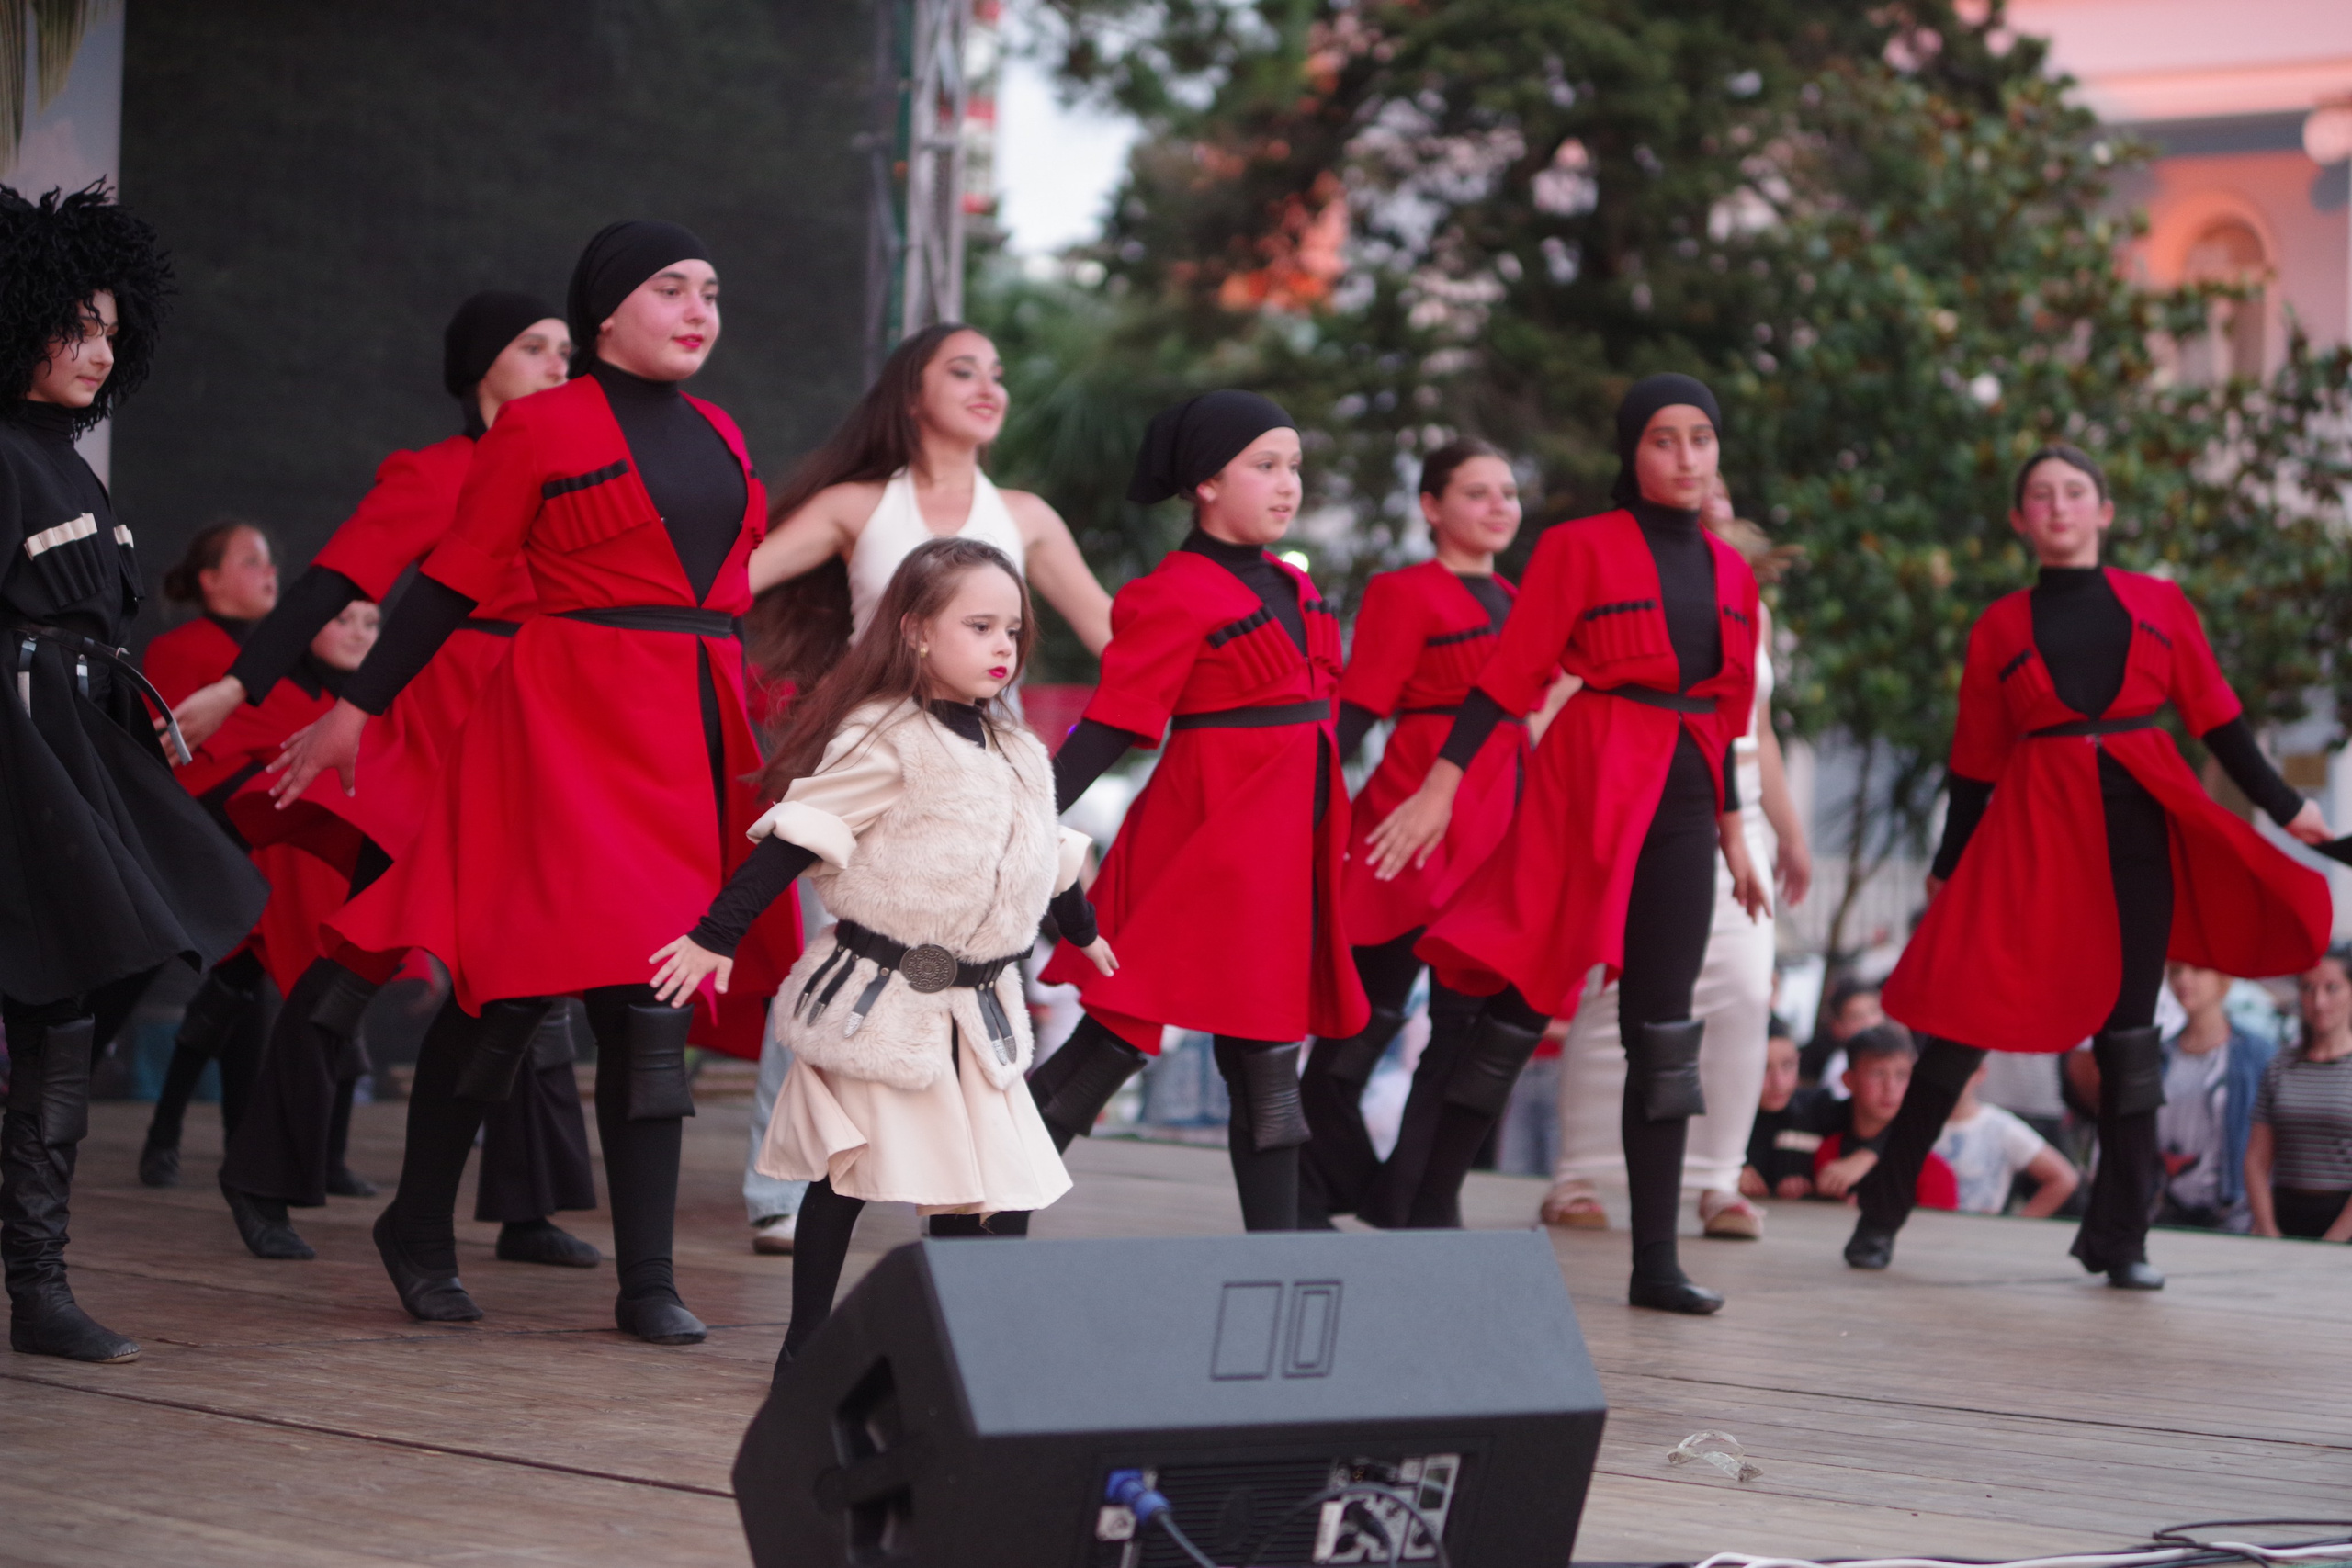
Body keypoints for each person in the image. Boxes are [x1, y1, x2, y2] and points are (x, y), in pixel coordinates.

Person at [273, 220, 802, 1343]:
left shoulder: (721, 430)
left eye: (711, 289)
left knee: (653, 999)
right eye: (671, 289)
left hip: (687, 733)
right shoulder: (539, 426)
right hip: (562, 723)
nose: (700, 307)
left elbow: (736, 594)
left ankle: (648, 1281)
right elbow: (448, 584)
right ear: (607, 311)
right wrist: (354, 711)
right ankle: (417, 1227)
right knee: (508, 989)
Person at [176, 293, 598, 1269]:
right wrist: (241, 682)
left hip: (536, 727)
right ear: (476, 370)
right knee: (356, 959)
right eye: (532, 348)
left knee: (533, 962)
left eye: (565, 351)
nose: (555, 364)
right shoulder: (435, 473)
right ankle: (264, 1172)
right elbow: (331, 581)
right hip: (429, 726)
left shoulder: (576, 473)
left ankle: (529, 1205)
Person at [1863, 444, 2331, 1288]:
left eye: (2075, 492)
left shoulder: (2160, 603)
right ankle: (1880, 1211)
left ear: (2104, 511)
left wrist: (2292, 809)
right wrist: (1947, 865)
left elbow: (2219, 720)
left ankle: (2124, 1238)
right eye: (2039, 495)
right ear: (2019, 520)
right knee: (1965, 1016)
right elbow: (1972, 763)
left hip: (2137, 830)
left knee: (2128, 1039)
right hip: (2033, 836)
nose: (2058, 506)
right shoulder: (1999, 625)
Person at [1362, 374, 1767, 1314]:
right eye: (1664, 440)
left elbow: (1729, 710)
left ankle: (1655, 1264)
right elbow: (1508, 679)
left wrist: (1735, 831)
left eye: (1700, 439)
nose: (1685, 457)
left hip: (1682, 789)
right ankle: (1428, 1206)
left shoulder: (1732, 572)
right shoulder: (1578, 547)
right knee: (1513, 998)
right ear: (1633, 451)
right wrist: (1441, 783)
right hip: (1584, 776)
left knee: (1663, 1030)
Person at [650, 538, 1108, 1363]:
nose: (1004, 644)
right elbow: (802, 831)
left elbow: (1046, 855)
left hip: (980, 1013)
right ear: (917, 631)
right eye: (980, 625)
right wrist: (718, 932)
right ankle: (806, 1348)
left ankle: (960, 1350)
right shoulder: (884, 735)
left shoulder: (1018, 751)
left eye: (1013, 628)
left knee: (995, 1191)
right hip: (883, 998)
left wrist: (1084, 932)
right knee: (849, 1173)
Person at [729, 322, 1118, 1256]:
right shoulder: (855, 505)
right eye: (962, 370)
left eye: (997, 374)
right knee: (842, 966)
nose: (989, 387)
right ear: (911, 394)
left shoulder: (1024, 515)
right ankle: (781, 1185)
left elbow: (1119, 639)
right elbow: (727, 588)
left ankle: (970, 1186)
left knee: (988, 970)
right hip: (885, 756)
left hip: (992, 771)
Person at [2, 183, 267, 1362]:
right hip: (17, 759)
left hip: (77, 750)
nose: (96, 350)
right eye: (73, 325)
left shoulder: (67, 460)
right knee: (57, 995)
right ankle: (39, 1287)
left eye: (111, 330)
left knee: (87, 986)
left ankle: (38, 1287)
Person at [1028, 389, 1367, 1232]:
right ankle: (978, 1229)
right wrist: (1015, 818)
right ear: (1206, 482)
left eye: (1294, 464)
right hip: (1200, 850)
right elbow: (1109, 725)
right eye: (1265, 465)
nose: (1288, 483)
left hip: (1283, 866)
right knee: (1111, 1044)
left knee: (1269, 1071)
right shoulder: (1170, 592)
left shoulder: (1299, 585)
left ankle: (1282, 1268)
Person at [1538, 475, 1811, 1239]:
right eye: (1677, 453)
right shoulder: (1619, 574)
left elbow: (1756, 728)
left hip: (1736, 809)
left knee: (1744, 991)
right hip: (1637, 796)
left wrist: (1787, 833)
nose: (1708, 486)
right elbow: (1561, 692)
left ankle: (1717, 1178)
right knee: (1616, 987)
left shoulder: (1742, 594)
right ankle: (1579, 1174)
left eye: (1720, 474)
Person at [1297, 438, 1529, 1226]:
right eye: (1477, 493)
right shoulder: (1405, 591)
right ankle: (1342, 1187)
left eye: (1507, 492)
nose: (1499, 505)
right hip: (1410, 821)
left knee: (1462, 1037)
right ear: (1432, 507)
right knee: (1359, 1027)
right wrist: (1307, 811)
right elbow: (1357, 710)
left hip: (1499, 821)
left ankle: (1414, 1200)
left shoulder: (1524, 598)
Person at [135, 519, 284, 1188]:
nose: (269, 571)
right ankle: (47, 1131)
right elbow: (167, 755)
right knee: (122, 980)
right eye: (251, 560)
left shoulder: (279, 657)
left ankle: (226, 1146)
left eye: (270, 561)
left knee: (240, 992)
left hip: (252, 845)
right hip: (190, 841)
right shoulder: (179, 647)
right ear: (210, 579)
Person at [2154, 962, 2274, 1231]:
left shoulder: (2256, 1054)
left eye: (2196, 970)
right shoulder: (2160, 1054)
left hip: (2232, 1213)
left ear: (2222, 979)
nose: (2184, 980)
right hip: (2165, 1210)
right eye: (2176, 971)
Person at [2245, 949, 2352, 1242]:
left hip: (2342, 1214)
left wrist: (2336, 1239)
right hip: (2286, 1210)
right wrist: (2266, 1225)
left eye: (2332, 989)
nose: (2319, 1002)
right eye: (2308, 989)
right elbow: (2257, 1156)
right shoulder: (2281, 1066)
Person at [1810, 1026, 1958, 1211]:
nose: (1890, 1087)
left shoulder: (1932, 1171)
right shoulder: (1826, 1148)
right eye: (1877, 1073)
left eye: (1902, 1075)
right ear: (1848, 1080)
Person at [1934, 1058, 2078, 1216]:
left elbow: (2064, 1177)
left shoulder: (2000, 1126)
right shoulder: (1918, 1123)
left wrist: (2017, 1226)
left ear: (1980, 1072)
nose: (1950, 1080)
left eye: (1959, 1071)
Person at [1741, 1029, 1833, 1200]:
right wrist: (1725, 1173)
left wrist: (1865, 1156)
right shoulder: (1719, 1122)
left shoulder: (1818, 1107)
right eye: (1763, 1067)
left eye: (1788, 1065)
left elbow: (1880, 1126)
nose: (1778, 1082)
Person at [1804, 978, 1884, 1093]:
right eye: (1855, 1017)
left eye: (1873, 1011)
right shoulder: (1838, 1065)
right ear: (1837, 1026)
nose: (1869, 1022)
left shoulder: (1903, 1056)